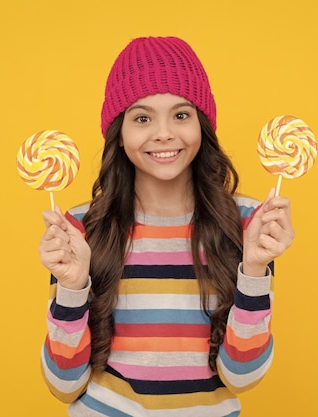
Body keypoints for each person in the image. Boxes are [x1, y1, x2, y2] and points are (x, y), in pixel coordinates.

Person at [38, 36, 294, 416]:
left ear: (202, 125)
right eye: (142, 118)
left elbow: (242, 376)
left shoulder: (247, 224)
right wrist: (73, 288)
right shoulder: (80, 228)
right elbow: (63, 385)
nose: (163, 133)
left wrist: (254, 271)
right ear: (119, 135)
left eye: (181, 114)